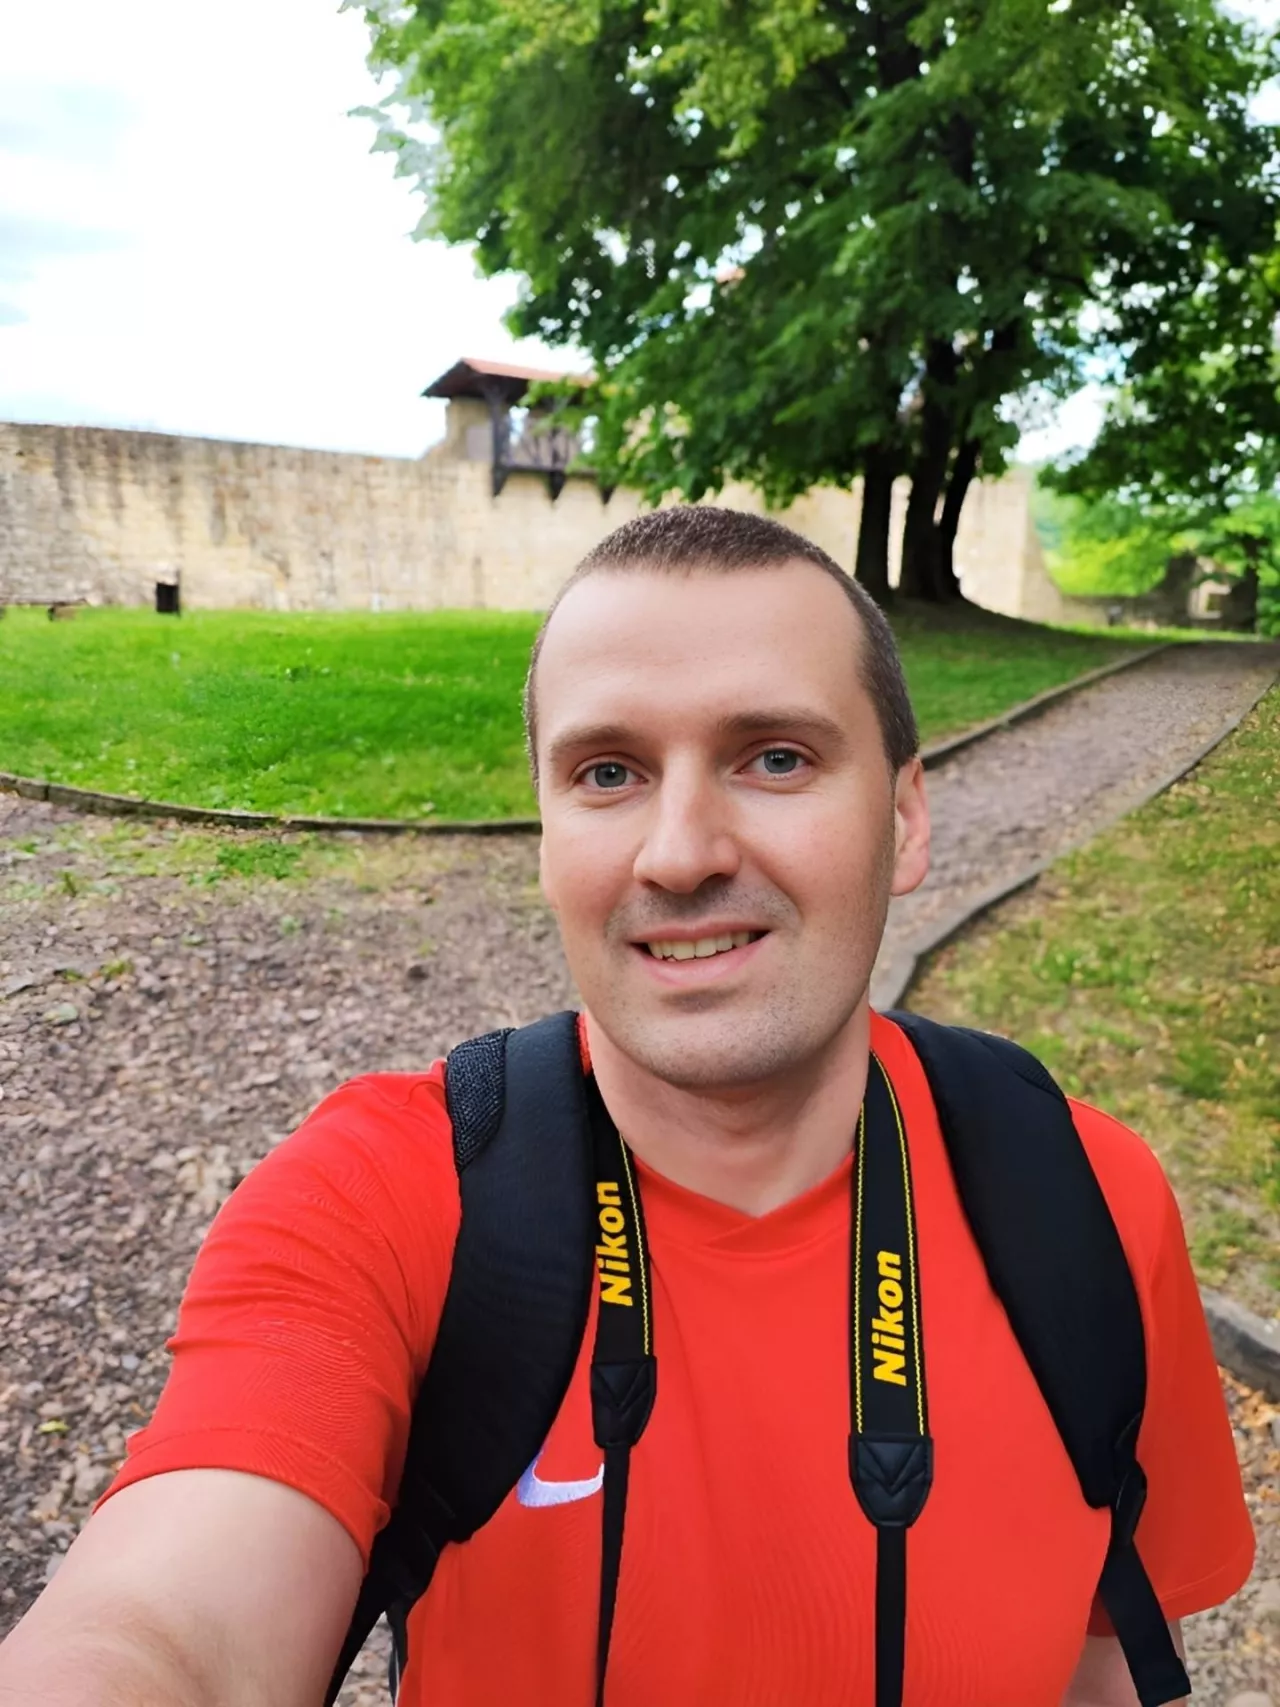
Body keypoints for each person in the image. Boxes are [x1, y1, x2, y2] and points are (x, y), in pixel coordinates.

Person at [0, 507, 1253, 1707]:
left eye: (774, 757)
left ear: (904, 815)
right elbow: (167, 1629)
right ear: (547, 842)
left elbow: (1102, 1667)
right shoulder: (382, 1199)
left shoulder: (1082, 1200)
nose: (679, 852)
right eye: (608, 773)